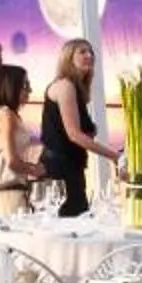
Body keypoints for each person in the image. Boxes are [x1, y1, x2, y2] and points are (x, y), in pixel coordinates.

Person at [39, 38, 120, 216]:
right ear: (68, 58)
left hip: (71, 167)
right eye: (82, 52)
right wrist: (114, 156)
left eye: (90, 52)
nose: (89, 55)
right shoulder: (65, 86)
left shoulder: (74, 88)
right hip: (61, 171)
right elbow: (74, 135)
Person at [0, 63, 44, 215]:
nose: (30, 90)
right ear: (11, 86)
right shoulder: (6, 115)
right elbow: (11, 161)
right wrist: (35, 169)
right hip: (9, 195)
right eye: (25, 85)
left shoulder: (0, 114)